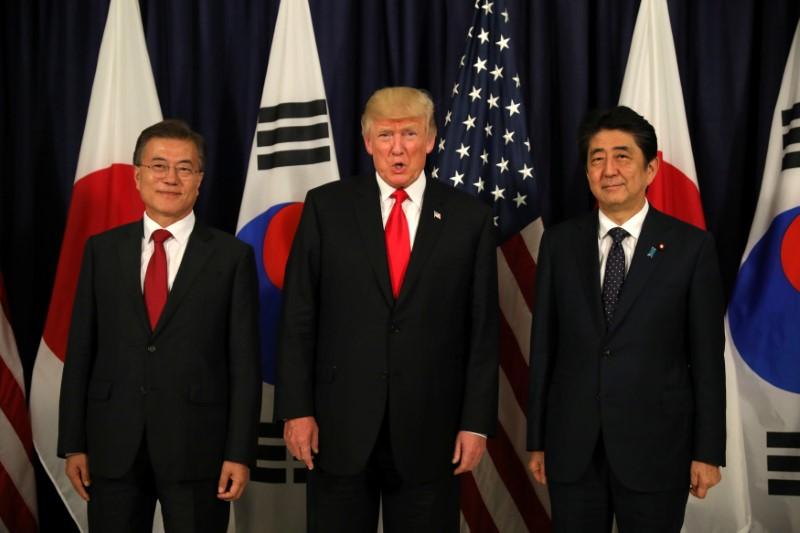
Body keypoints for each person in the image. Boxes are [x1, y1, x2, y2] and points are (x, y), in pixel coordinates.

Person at [275, 86, 499, 532]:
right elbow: (299, 316)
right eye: (385, 135)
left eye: (410, 134)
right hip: (338, 428)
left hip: (430, 431)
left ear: (432, 139)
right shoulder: (326, 207)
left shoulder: (468, 218)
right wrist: (296, 410)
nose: (398, 148)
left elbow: (482, 330)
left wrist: (476, 424)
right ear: (367, 141)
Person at [526, 106, 726, 532]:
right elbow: (544, 347)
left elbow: (707, 359)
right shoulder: (559, 245)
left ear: (651, 168)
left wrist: (707, 450)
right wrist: (538, 439)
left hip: (658, 449)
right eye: (597, 158)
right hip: (573, 448)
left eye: (622, 156)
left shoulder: (691, 248)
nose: (608, 169)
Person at [58, 119, 261, 532]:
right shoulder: (102, 251)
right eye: (158, 166)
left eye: (184, 168)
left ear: (199, 180)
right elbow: (81, 351)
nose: (171, 178)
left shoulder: (231, 258)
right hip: (112, 447)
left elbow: (244, 364)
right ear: (137, 176)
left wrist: (238, 452)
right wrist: (73, 443)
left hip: (198, 449)